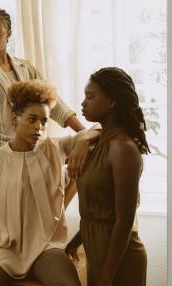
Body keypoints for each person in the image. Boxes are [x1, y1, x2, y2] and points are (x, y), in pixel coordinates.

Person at [0, 79, 101, 286]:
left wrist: (83, 140)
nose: (38, 127)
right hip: (1, 247)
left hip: (46, 246)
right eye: (32, 119)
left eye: (43, 121)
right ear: (15, 118)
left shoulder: (56, 149)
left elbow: (100, 128)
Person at [0, 8, 85, 160]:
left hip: (28, 148)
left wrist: (83, 131)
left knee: (71, 149)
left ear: (9, 33)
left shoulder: (24, 68)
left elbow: (52, 102)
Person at [65, 67, 148, 286]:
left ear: (112, 101)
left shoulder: (123, 149)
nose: (83, 103)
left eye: (90, 97)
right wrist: (75, 241)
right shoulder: (100, 143)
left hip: (119, 261)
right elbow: (99, 207)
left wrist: (106, 277)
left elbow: (123, 220)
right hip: (98, 254)